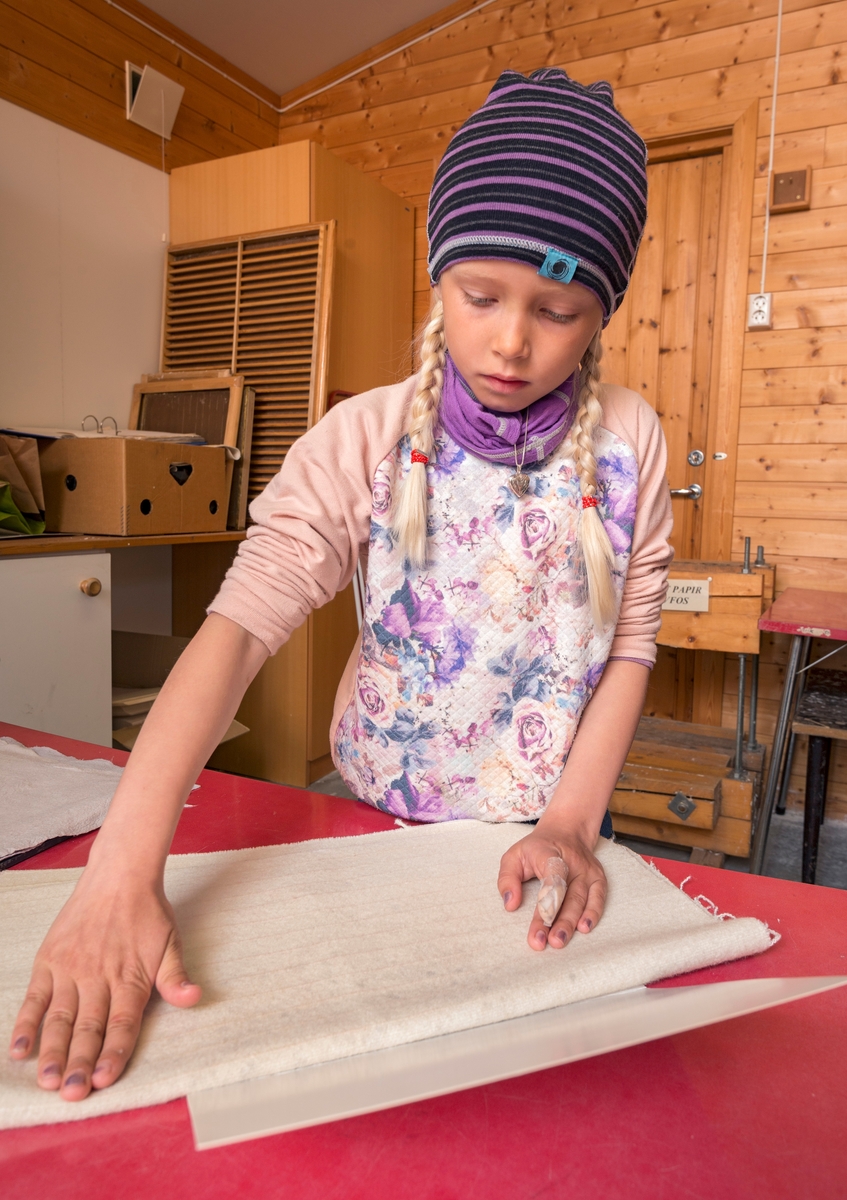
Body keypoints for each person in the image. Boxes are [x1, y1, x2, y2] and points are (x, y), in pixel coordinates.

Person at [9, 68, 672, 1102]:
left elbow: (630, 644)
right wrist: (118, 875)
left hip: (553, 828)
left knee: (531, 1078)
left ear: (602, 315)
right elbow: (236, 628)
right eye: (479, 295)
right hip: (380, 818)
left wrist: (571, 828)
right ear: (437, 277)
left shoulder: (630, 441)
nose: (509, 340)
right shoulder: (365, 436)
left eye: (559, 310)